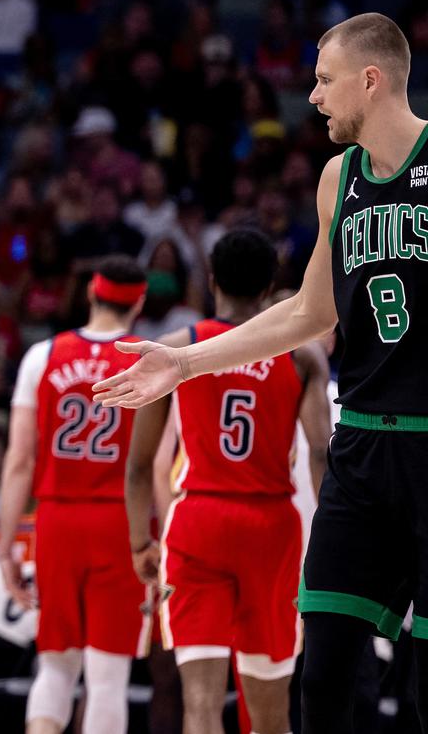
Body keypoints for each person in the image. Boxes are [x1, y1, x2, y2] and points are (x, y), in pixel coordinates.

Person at [93, 13, 428, 733]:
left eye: (324, 80)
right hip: (362, 452)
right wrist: (183, 361)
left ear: (370, 82)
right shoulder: (340, 180)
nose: (312, 96)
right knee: (328, 674)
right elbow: (309, 311)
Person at [124, 230, 331, 734]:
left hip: (199, 521)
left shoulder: (176, 348)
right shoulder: (302, 355)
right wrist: (327, 543)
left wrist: (140, 543)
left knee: (199, 704)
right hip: (271, 526)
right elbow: (322, 453)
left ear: (211, 280)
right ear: (270, 287)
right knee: (270, 712)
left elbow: (139, 464)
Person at [0, 256, 150, 734]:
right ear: (139, 302)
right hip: (120, 525)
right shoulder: (150, 362)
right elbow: (150, 465)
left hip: (57, 520)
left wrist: (5, 547)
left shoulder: (42, 354)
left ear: (90, 293)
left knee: (57, 664)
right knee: (108, 676)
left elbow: (20, 459)